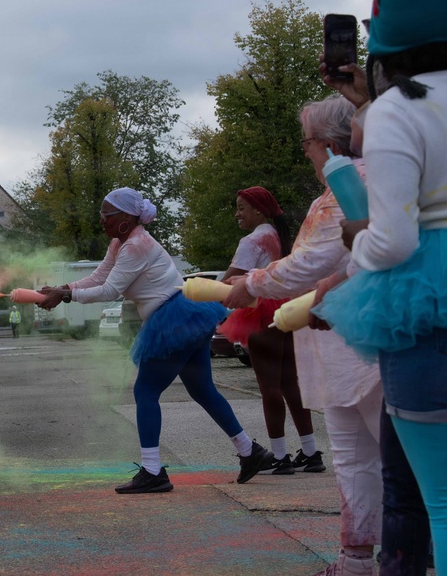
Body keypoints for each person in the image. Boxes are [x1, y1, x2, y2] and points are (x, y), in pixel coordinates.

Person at [314, 0, 447, 576]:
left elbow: (393, 242)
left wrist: (356, 238)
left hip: (426, 304)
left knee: (437, 502)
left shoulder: (400, 111)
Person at [223, 96, 383, 576]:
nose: (306, 153)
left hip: (365, 347)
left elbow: (313, 263)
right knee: (354, 457)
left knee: (396, 460)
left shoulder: (354, 185)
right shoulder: (332, 192)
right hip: (337, 349)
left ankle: (408, 555)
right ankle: (355, 560)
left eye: (307, 144)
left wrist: (249, 285)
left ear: (328, 143)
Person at [39, 187, 272, 494]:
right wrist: (63, 286)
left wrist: (66, 295)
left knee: (146, 390)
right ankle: (248, 450)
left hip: (173, 319)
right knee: (202, 389)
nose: (101, 221)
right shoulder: (120, 243)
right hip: (185, 316)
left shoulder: (136, 245)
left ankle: (153, 471)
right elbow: (99, 278)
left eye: (106, 215)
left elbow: (110, 291)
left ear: (125, 218)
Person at [216, 187, 322, 475]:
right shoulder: (277, 236)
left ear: (259, 210)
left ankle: (278, 455)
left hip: (260, 312)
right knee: (290, 383)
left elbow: (227, 282)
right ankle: (311, 452)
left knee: (269, 387)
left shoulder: (252, 240)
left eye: (241, 207)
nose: (237, 213)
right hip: (287, 310)